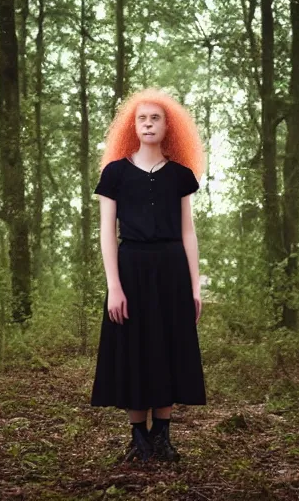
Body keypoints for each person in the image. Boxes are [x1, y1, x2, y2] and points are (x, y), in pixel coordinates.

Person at [90, 88, 207, 464]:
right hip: (131, 268)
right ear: (133, 126)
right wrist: (113, 286)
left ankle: (163, 436)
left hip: (172, 269)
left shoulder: (180, 175)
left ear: (167, 125)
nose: (149, 123)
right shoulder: (115, 173)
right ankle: (138, 437)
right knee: (134, 350)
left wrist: (194, 285)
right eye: (142, 118)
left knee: (169, 347)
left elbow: (188, 231)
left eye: (155, 117)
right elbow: (107, 232)